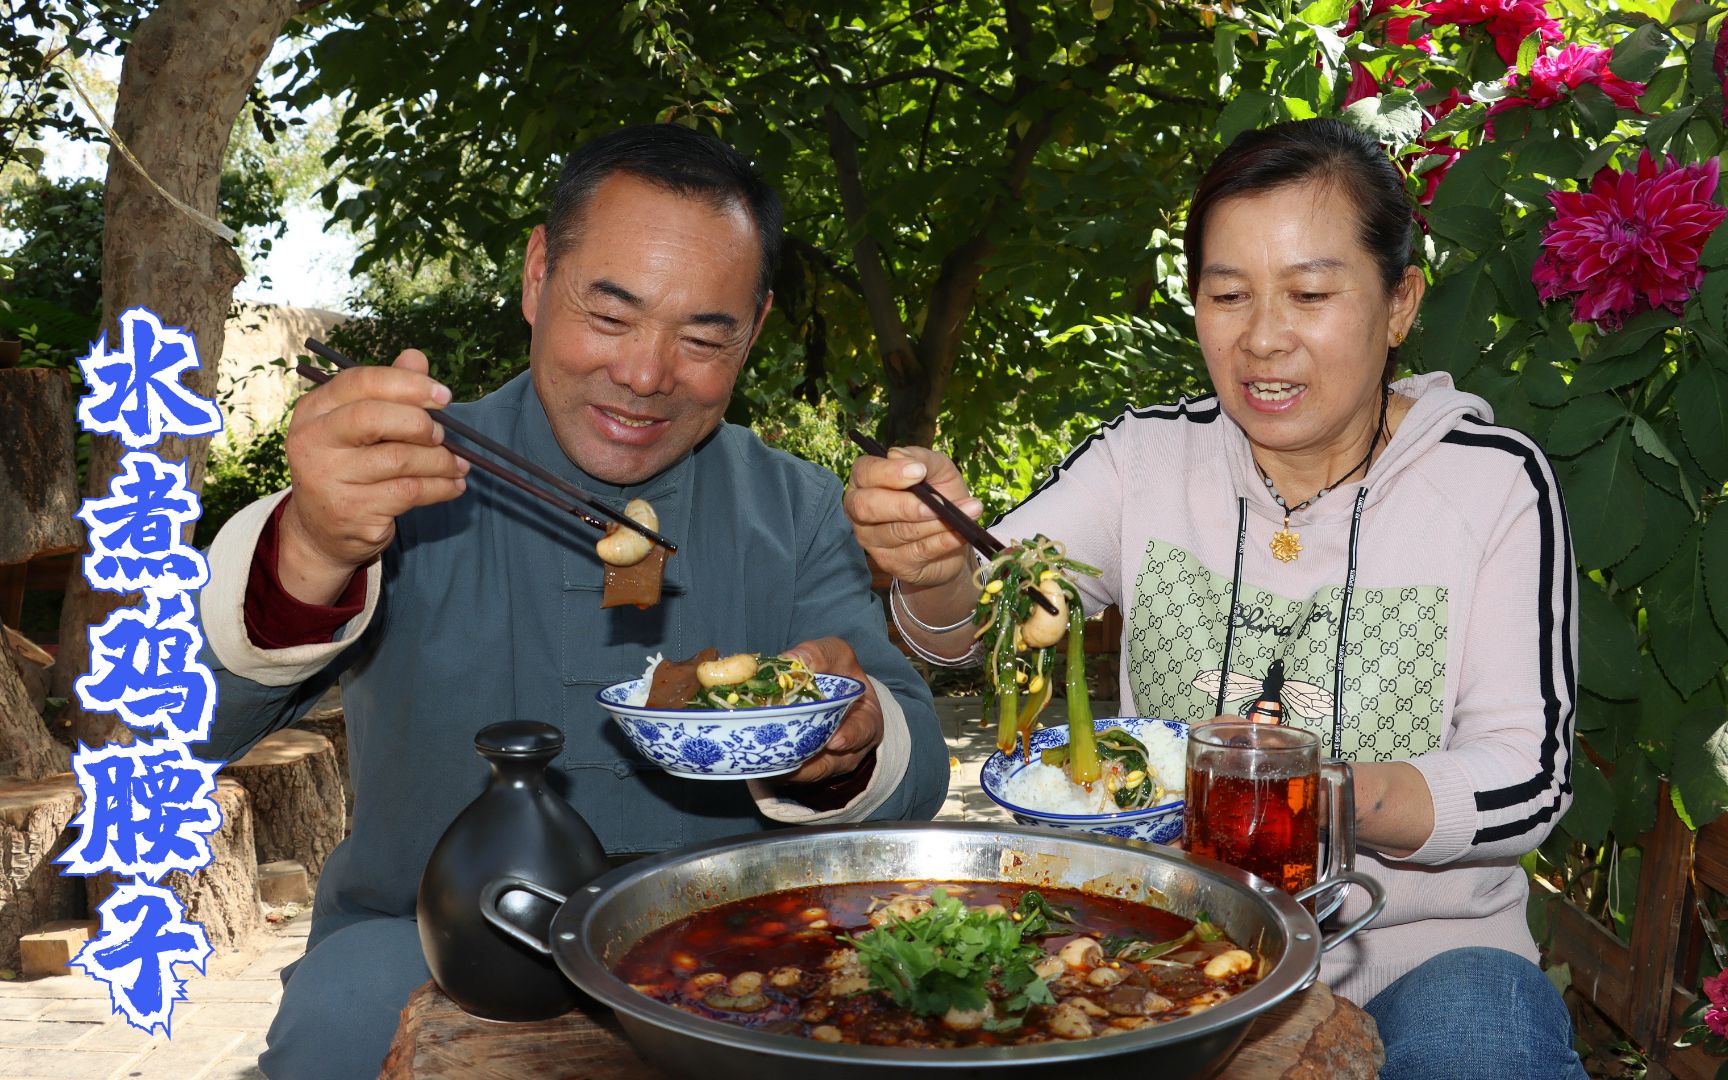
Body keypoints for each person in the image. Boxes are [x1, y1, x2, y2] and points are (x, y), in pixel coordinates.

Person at [192, 124, 949, 1079]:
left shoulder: (797, 510)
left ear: (751, 332)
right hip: (420, 950)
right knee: (336, 1027)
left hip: (733, 966)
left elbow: (914, 777)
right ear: (539, 274)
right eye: (612, 313)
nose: (644, 374)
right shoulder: (401, 479)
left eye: (703, 335)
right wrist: (310, 547)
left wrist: (844, 743)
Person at [845, 118, 1584, 1079]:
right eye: (1227, 294)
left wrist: (1305, 800)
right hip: (1164, 941)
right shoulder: (1144, 459)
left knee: (1483, 1042)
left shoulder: (1491, 483)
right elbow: (982, 617)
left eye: (1312, 293)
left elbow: (1527, 776)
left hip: (1427, 960)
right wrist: (935, 567)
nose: (1263, 339)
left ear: (1400, 302)